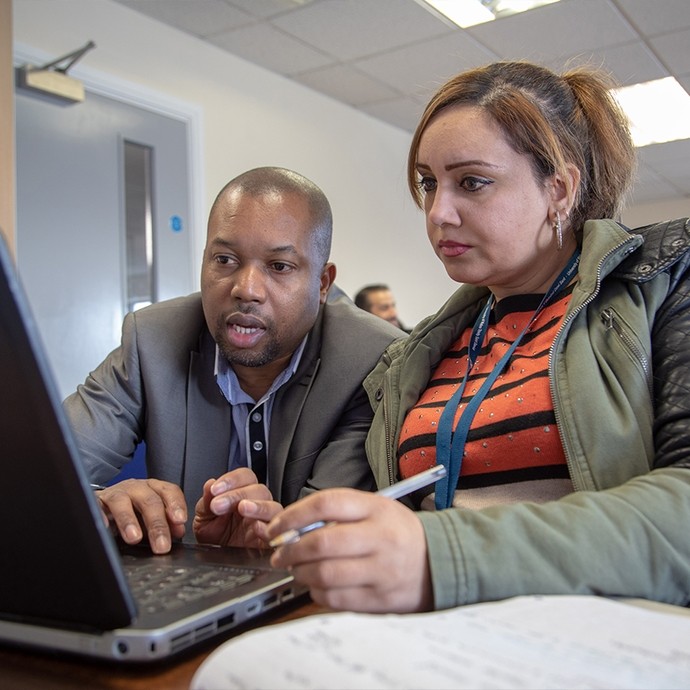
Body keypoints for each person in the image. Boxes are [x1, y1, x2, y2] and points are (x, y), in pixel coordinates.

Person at [263, 61, 690, 614]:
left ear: (559, 190)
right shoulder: (414, 356)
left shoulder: (664, 282)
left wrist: (446, 554)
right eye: (428, 183)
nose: (438, 212)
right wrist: (283, 525)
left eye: (472, 182)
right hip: (437, 641)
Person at [64, 166, 404, 554]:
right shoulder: (153, 340)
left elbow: (326, 536)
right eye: (225, 259)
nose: (246, 290)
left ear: (322, 283)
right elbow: (39, 472)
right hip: (184, 591)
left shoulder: (372, 362)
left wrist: (266, 541)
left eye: (279, 267)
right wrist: (96, 501)